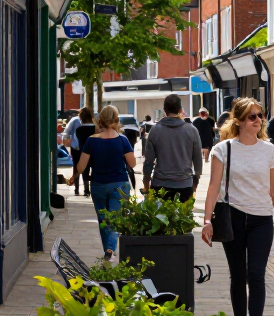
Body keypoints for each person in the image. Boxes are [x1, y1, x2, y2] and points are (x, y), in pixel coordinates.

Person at [200, 98, 274, 316]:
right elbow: (214, 187)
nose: (258, 120)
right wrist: (207, 220)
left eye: (260, 115)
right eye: (252, 116)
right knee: (238, 276)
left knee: (256, 275)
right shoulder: (223, 149)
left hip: (262, 219)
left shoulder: (269, 150)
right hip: (233, 219)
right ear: (238, 121)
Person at [69, 106, 136, 260]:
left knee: (103, 219)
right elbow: (132, 164)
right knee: (115, 217)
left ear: (100, 120)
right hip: (119, 184)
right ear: (117, 120)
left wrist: (74, 177)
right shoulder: (122, 140)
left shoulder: (92, 140)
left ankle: (107, 249)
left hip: (98, 184)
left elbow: (81, 166)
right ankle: (110, 249)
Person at [143, 94, 203, 203]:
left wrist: (146, 180)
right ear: (180, 110)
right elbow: (198, 160)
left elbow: (149, 161)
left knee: (160, 219)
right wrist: (195, 183)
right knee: (183, 219)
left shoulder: (155, 130)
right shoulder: (192, 130)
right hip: (184, 185)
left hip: (160, 185)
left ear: (164, 110)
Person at [74, 108, 97, 197]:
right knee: (95, 170)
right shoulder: (95, 129)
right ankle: (93, 187)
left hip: (83, 152)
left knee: (85, 171)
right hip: (94, 152)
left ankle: (86, 190)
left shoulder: (79, 130)